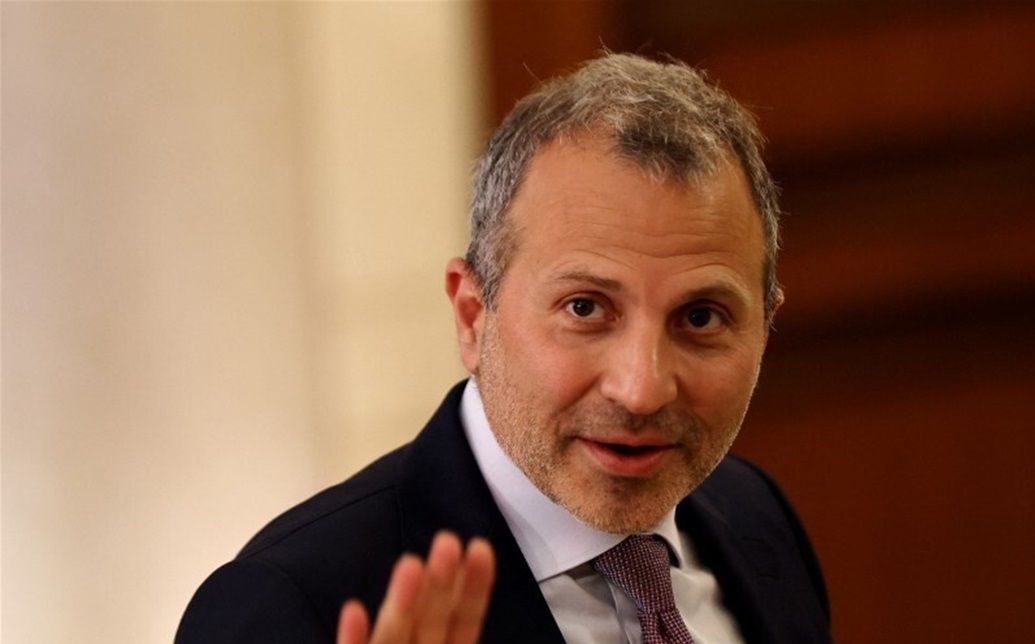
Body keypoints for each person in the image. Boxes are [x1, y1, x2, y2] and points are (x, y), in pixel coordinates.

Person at [177, 52, 830, 644]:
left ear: (765, 327)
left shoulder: (756, 518)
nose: (641, 389)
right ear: (471, 316)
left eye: (700, 317)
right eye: (584, 308)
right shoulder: (286, 608)